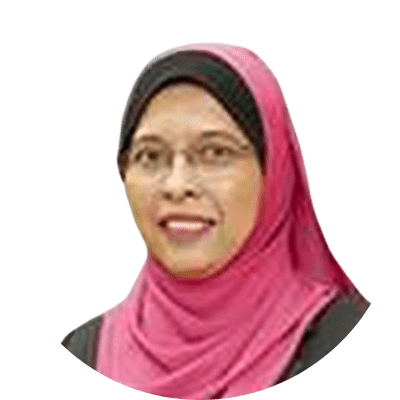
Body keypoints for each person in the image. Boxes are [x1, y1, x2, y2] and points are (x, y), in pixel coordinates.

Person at [61, 43, 372, 399]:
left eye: (215, 153)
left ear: (275, 173)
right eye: (150, 155)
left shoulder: (345, 339)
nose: (177, 186)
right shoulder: (84, 351)